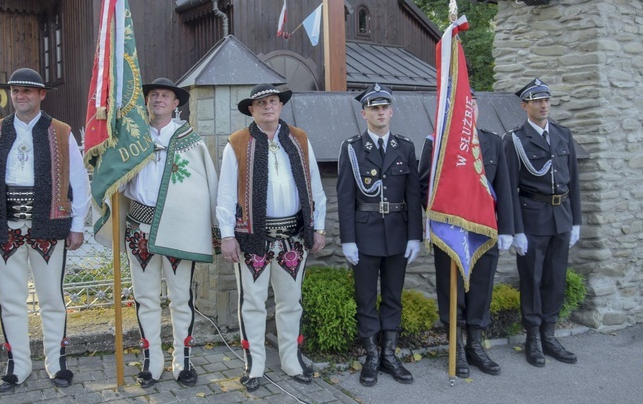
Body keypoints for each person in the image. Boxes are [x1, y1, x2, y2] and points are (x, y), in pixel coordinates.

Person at [0, 68, 91, 392]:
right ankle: (16, 366)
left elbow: (79, 181)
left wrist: (77, 225)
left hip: (48, 224)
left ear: (41, 95)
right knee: (10, 300)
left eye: (28, 91)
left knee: (51, 298)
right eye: (17, 91)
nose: (21, 96)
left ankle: (56, 362)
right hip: (2, 224)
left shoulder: (61, 132)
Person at [103, 77, 219, 389]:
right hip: (139, 227)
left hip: (178, 229)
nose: (158, 100)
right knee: (145, 298)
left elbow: (204, 187)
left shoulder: (191, 142)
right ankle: (152, 362)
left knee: (181, 297)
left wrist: (209, 228)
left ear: (176, 103)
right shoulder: (131, 140)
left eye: (165, 96)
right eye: (154, 95)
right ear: (147, 101)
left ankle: (183, 362)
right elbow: (119, 183)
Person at [216, 83, 326, 392]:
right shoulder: (236, 143)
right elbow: (225, 196)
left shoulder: (300, 139)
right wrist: (227, 235)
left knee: (291, 302)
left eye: (273, 101)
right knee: (252, 302)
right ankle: (255, 364)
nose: (268, 107)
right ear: (251, 109)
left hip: (293, 234)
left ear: (281, 105)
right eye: (261, 103)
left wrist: (317, 227)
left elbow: (315, 187)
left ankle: (291, 360)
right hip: (252, 238)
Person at [418, 88, 514, 378]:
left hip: (484, 231)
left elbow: (505, 187)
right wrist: (445, 215)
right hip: (451, 231)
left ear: (477, 107)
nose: (468, 107)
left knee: (482, 289)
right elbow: (424, 186)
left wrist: (507, 228)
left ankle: (475, 344)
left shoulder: (493, 141)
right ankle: (456, 347)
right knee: (452, 289)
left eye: (471, 103)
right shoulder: (437, 142)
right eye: (462, 103)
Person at [336, 83, 422, 387]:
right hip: (365, 232)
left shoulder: (406, 147)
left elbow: (413, 195)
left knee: (393, 296)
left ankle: (389, 354)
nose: (380, 112)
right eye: (374, 108)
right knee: (366, 298)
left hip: (398, 233)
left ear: (391, 111)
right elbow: (345, 196)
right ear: (364, 113)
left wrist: (415, 236)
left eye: (384, 107)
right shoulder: (352, 148)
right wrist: (348, 239)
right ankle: (371, 356)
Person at [502, 78, 581, 368]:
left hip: (562, 217)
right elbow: (509, 188)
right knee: (532, 281)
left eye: (546, 100)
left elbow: (574, 180)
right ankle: (533, 338)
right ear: (525, 106)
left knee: (555, 280)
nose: (543, 105)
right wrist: (516, 230)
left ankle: (550, 335)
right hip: (532, 219)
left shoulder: (562, 134)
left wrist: (576, 222)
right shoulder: (515, 139)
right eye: (536, 101)